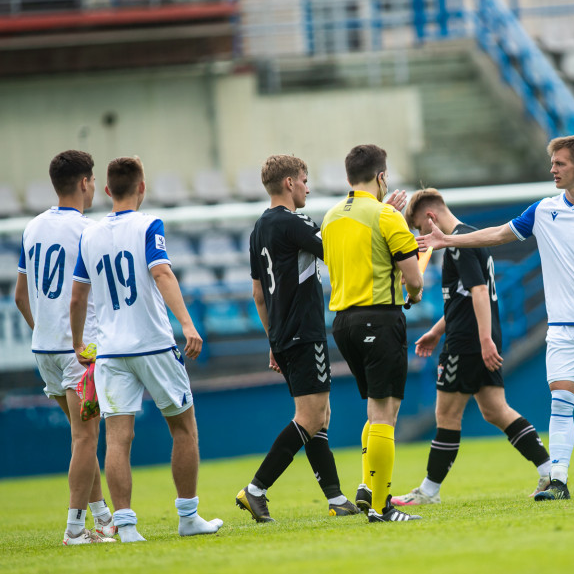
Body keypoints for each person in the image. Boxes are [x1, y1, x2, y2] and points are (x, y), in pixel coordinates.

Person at [418, 135, 574, 501]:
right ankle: (558, 480)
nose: (552, 169)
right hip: (561, 328)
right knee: (560, 403)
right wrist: (450, 241)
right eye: (552, 162)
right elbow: (498, 234)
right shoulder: (543, 210)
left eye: (559, 163)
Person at [69, 156, 222, 542]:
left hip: (110, 351)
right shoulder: (148, 224)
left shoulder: (89, 234)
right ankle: (188, 517)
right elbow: (161, 271)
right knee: (183, 428)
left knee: (118, 438)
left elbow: (78, 296)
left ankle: (126, 526)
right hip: (153, 344)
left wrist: (77, 342)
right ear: (142, 187)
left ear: (107, 190)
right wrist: (187, 323)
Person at [391, 188, 552, 506]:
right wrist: (437, 331)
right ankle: (550, 471)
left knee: (446, 414)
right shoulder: (470, 238)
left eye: (421, 229)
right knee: (495, 410)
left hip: (467, 342)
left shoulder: (456, 245)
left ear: (431, 217)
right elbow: (463, 299)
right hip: (477, 336)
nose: (422, 238)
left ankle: (429, 491)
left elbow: (479, 292)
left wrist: (483, 340)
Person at [235, 155, 359, 522]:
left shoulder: (258, 230)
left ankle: (336, 498)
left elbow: (258, 295)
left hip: (283, 335)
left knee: (319, 416)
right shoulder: (296, 222)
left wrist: (273, 341)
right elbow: (337, 252)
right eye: (304, 180)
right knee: (310, 416)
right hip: (305, 331)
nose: (308, 187)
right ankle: (256, 489)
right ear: (289, 183)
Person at [14, 150, 117, 545]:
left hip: (44, 350)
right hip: (79, 351)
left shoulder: (32, 228)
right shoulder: (88, 231)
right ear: (85, 182)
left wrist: (44, 333)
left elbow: (20, 296)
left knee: (80, 436)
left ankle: (103, 518)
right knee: (86, 438)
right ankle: (74, 529)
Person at [321, 144, 424, 523]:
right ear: (381, 176)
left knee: (379, 409)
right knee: (384, 413)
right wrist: (414, 294)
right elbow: (414, 280)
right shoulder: (386, 216)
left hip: (343, 323)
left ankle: (368, 486)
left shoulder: (330, 217)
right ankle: (381, 508)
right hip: (379, 318)